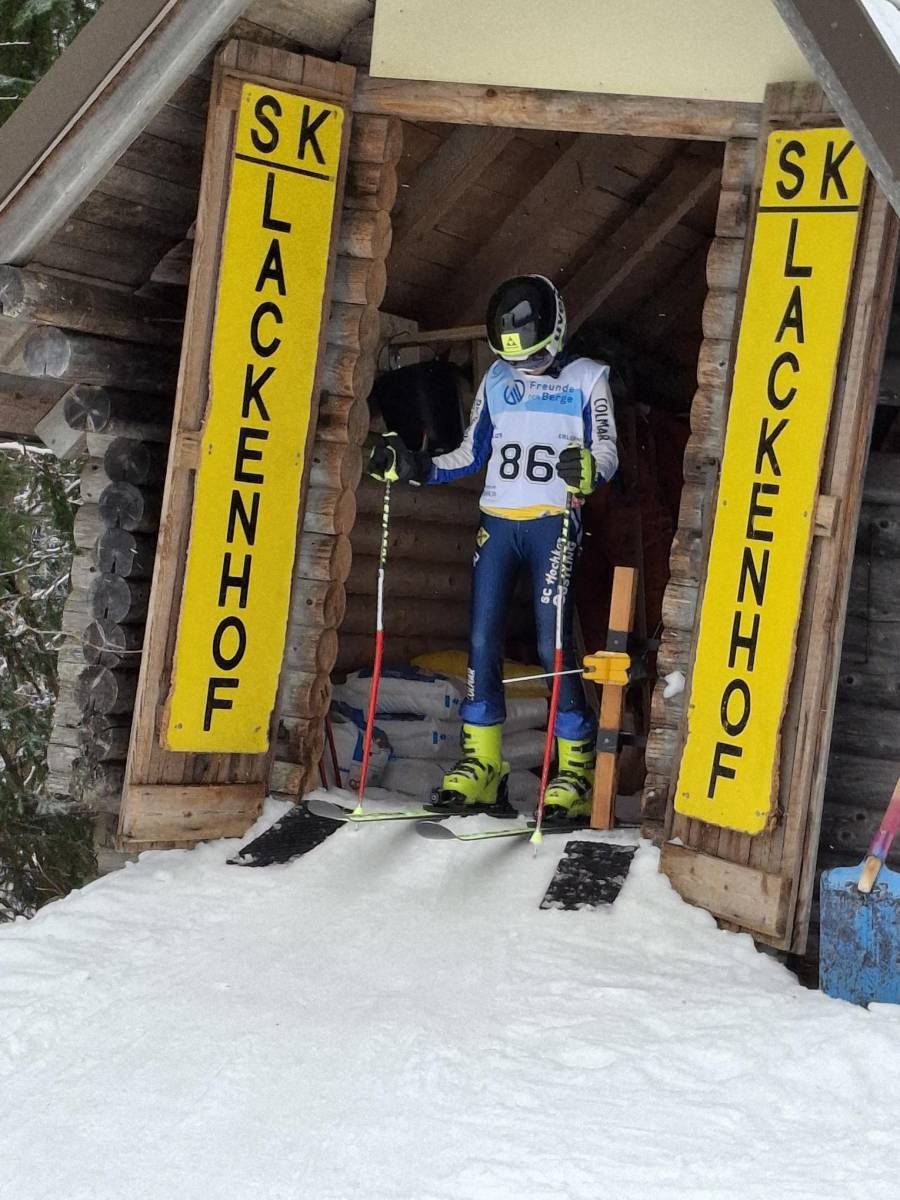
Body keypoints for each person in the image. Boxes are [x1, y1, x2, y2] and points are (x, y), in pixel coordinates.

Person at [368, 275, 618, 825]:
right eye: (515, 359)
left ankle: (575, 770)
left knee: (553, 644)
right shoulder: (498, 379)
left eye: (536, 357)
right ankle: (483, 762)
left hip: (553, 522)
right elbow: (470, 452)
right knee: (481, 639)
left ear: (557, 332)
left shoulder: (587, 377)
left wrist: (589, 470)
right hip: (498, 523)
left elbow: (606, 449)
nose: (525, 367)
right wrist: (415, 467)